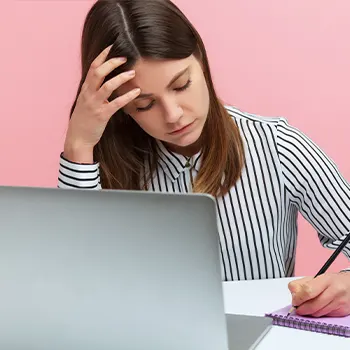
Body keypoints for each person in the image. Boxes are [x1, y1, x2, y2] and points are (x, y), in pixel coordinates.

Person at [58, 0, 350, 317]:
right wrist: (79, 145)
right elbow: (75, 284)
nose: (173, 115)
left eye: (182, 85)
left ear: (201, 59)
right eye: (144, 105)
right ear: (121, 108)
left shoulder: (277, 147)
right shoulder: (103, 167)